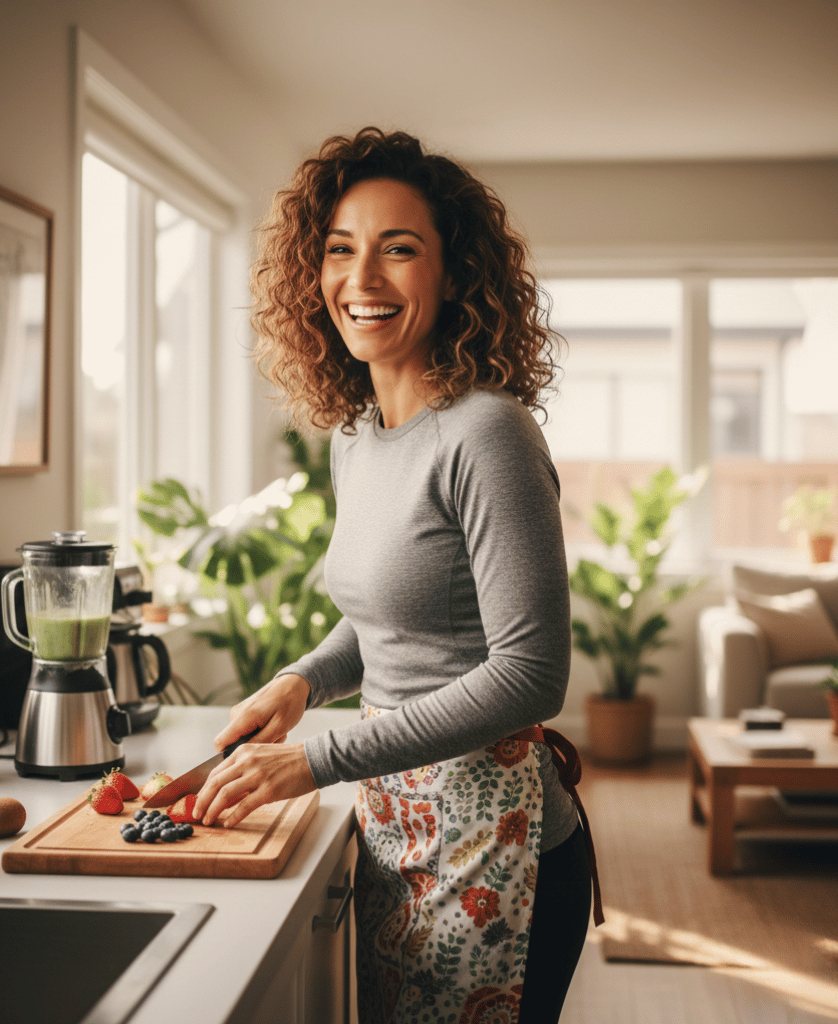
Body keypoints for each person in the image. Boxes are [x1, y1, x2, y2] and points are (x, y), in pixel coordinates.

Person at [192, 127, 601, 1024]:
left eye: (398, 249)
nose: (362, 279)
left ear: (454, 275)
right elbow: (389, 617)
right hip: (398, 825)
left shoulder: (486, 433)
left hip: (498, 847)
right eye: (340, 250)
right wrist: (300, 683)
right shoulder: (355, 438)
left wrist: (320, 757)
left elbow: (532, 674)